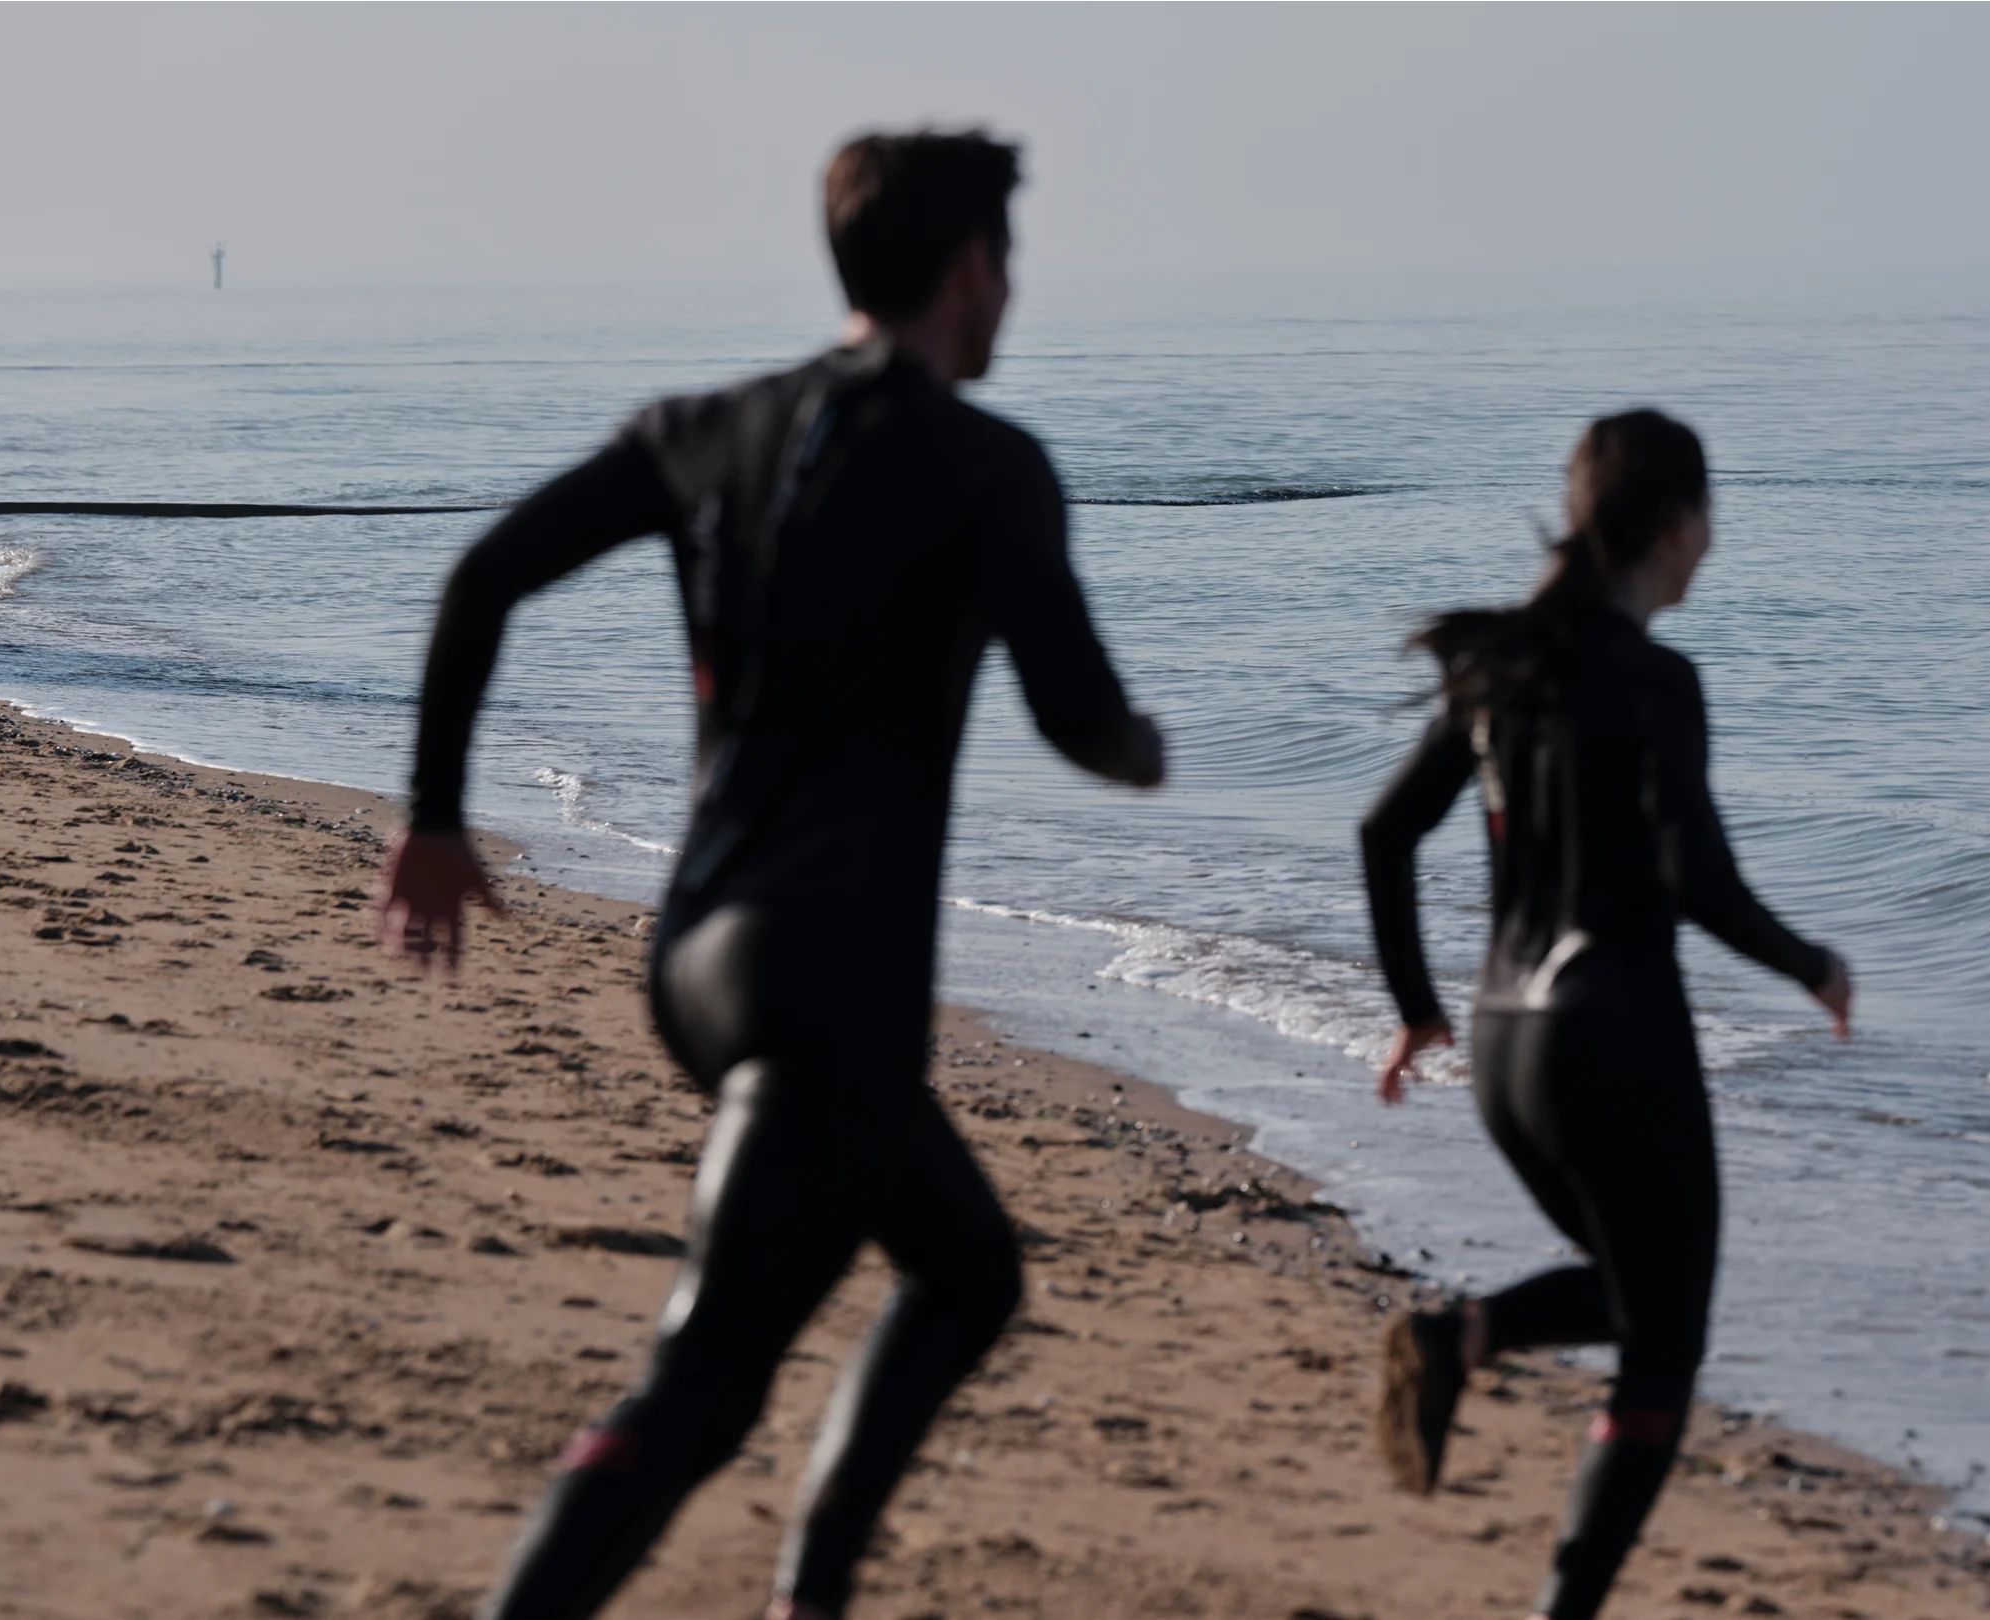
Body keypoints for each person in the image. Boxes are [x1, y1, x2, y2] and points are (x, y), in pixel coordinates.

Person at [373, 130, 1164, 1620]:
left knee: (968, 1269)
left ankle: (812, 1597)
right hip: (831, 980)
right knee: (707, 1379)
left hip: (700, 957)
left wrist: (433, 819)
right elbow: (1079, 717)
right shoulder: (990, 466)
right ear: (970, 264)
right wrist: (1144, 754)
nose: (1014, 294)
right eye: (1010, 262)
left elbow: (481, 576)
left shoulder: (707, 425)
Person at [1357, 410, 1850, 1620]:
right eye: (1709, 522)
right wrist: (1809, 963)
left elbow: (1383, 835)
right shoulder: (1655, 679)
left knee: (1642, 1291)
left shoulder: (1499, 667)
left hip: (1506, 1047)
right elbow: (1696, 878)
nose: (1711, 548)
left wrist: (1419, 1011)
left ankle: (1463, 1340)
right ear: (1679, 526)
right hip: (1612, 1038)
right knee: (1665, 1339)